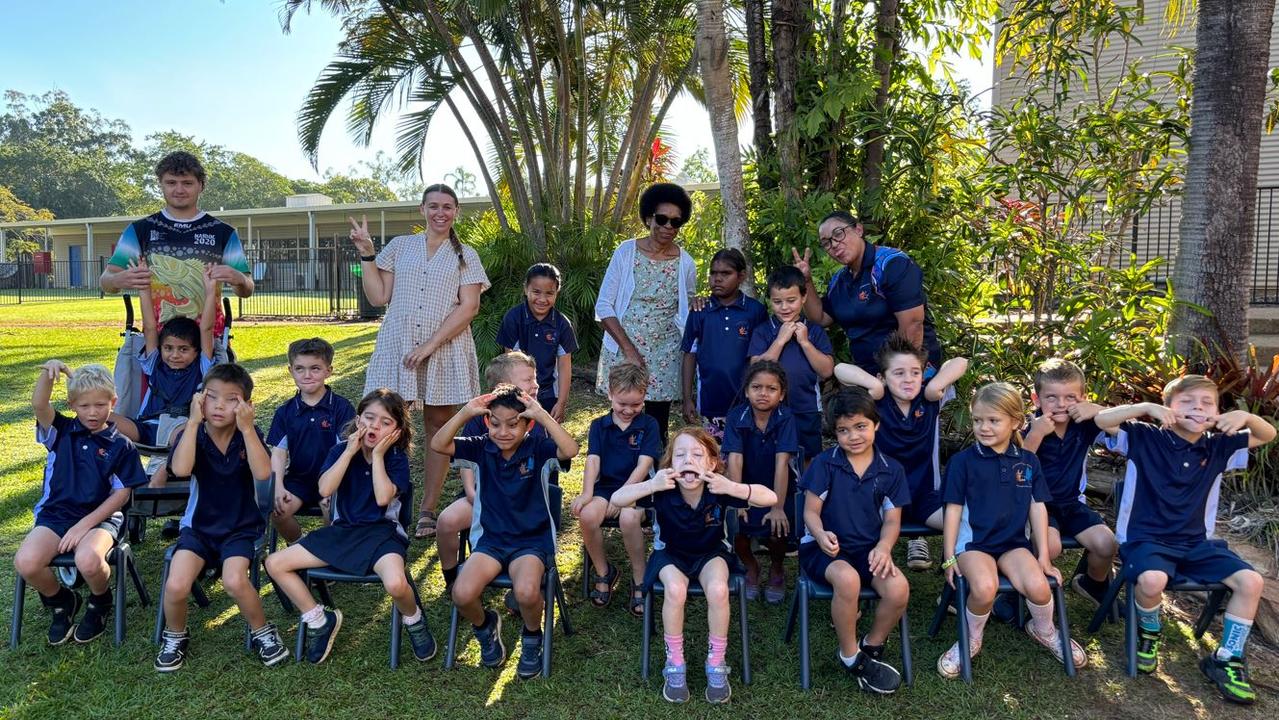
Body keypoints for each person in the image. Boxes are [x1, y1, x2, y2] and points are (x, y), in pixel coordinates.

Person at [1095, 375, 1274, 704]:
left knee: (1250, 581)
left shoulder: (1218, 444)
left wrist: (1247, 417)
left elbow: (1268, 434)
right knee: (1152, 580)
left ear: (1217, 411)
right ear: (1169, 408)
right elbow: (1101, 419)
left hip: (1196, 543)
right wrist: (1146, 407)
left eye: (1207, 403)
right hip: (1145, 539)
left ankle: (1226, 658)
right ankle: (1149, 631)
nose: (1198, 408)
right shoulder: (1144, 436)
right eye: (1187, 402)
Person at [349, 184, 490, 540]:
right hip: (397, 345)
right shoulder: (400, 247)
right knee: (381, 422)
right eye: (433, 206)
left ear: (456, 211)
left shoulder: (466, 255)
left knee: (438, 427)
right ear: (421, 210)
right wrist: (367, 255)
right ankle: (379, 503)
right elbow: (379, 295)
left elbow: (469, 307)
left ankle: (427, 507)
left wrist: (430, 345)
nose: (440, 213)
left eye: (447, 207)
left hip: (444, 348)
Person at [265, 389, 435, 665]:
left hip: (383, 534)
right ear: (358, 421)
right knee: (275, 563)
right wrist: (349, 451)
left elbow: (382, 498)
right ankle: (319, 619)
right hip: (343, 532)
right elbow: (324, 488)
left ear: (397, 431)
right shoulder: (339, 451)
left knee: (395, 583)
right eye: (369, 418)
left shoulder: (395, 458)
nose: (374, 426)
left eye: (385, 422)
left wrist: (378, 456)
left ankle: (414, 619)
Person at [611, 427, 777, 704]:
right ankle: (675, 662)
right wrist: (652, 484)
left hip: (711, 554)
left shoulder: (719, 488)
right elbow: (617, 500)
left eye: (698, 454)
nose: (689, 460)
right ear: (671, 464)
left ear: (712, 463)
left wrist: (733, 486)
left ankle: (716, 661)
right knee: (675, 590)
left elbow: (769, 498)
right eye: (680, 455)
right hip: (672, 554)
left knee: (719, 590)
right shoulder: (663, 489)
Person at [937, 382, 1088, 679]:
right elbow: (952, 510)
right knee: (984, 588)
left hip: (1013, 544)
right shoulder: (962, 462)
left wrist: (1043, 557)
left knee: (1039, 585)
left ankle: (1044, 630)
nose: (984, 427)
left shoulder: (1028, 461)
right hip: (974, 545)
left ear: (1016, 421)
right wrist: (948, 556)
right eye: (978, 420)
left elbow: (1038, 508)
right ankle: (971, 639)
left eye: (994, 420)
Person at [432, 385, 580, 680]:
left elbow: (571, 450)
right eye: (495, 423)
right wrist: (465, 412)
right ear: (487, 422)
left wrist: (543, 415)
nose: (503, 432)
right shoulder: (479, 446)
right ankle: (486, 627)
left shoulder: (537, 448)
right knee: (461, 593)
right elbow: (438, 444)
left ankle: (531, 637)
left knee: (526, 592)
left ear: (528, 424)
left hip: (530, 542)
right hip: (492, 541)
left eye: (513, 424)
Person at [155, 363, 288, 672]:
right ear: (201, 399)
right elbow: (183, 469)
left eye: (231, 399)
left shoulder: (249, 434)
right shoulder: (194, 433)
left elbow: (263, 472)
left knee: (233, 579)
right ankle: (175, 635)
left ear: (245, 405)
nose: (219, 406)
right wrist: (191, 423)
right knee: (176, 585)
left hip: (240, 528)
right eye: (212, 397)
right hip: (199, 528)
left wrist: (246, 428)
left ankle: (262, 632)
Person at [14, 361, 147, 645]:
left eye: (100, 405)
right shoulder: (61, 431)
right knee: (26, 562)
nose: (93, 412)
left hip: (100, 519)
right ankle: (62, 601)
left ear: (113, 402)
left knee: (88, 560)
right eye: (84, 406)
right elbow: (39, 405)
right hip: (57, 515)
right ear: (72, 404)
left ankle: (101, 600)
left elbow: (121, 496)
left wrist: (83, 526)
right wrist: (48, 374)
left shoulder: (122, 445)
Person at [798, 387, 910, 694]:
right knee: (847, 581)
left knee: (899, 588)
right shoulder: (825, 463)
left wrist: (885, 547)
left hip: (869, 549)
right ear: (835, 434)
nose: (854, 436)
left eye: (860, 426)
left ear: (876, 424)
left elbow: (891, 520)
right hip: (824, 549)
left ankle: (871, 646)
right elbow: (810, 511)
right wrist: (820, 534)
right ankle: (849, 655)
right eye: (844, 431)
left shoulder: (891, 470)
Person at [834, 332, 967, 570]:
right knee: (850, 528)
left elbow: (960, 363)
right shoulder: (875, 403)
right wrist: (874, 385)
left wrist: (936, 383)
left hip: (925, 498)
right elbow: (840, 369)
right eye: (898, 373)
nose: (909, 379)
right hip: (882, 499)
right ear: (883, 377)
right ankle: (860, 590)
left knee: (969, 522)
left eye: (915, 372)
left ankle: (958, 590)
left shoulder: (930, 399)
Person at [100, 151, 253, 338]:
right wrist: (117, 280)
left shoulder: (223, 232)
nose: (179, 190)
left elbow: (247, 289)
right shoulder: (139, 230)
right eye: (171, 183)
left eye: (187, 183)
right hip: (157, 345)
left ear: (201, 186)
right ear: (161, 185)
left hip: (211, 342)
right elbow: (106, 280)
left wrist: (239, 278)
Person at [595, 182, 698, 440]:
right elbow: (604, 305)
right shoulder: (626, 252)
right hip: (625, 347)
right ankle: (620, 476)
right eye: (662, 219)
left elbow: (688, 305)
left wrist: (700, 301)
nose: (668, 227)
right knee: (623, 416)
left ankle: (655, 474)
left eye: (675, 222)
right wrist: (629, 350)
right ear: (649, 218)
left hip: (665, 351)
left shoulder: (686, 263)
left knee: (656, 425)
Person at [436, 351, 543, 594]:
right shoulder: (479, 418)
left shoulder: (535, 419)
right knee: (446, 521)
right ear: (501, 388)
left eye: (534, 378)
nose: (535, 384)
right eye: (527, 379)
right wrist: (475, 496)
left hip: (524, 502)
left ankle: (522, 585)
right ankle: (452, 577)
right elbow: (467, 468)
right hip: (483, 496)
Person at [792, 211, 940, 375]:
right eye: (826, 243)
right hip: (869, 377)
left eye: (838, 234)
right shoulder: (839, 280)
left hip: (911, 373)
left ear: (859, 230)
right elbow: (820, 318)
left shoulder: (891, 264)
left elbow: (912, 325)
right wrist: (805, 280)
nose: (834, 244)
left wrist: (895, 375)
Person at [111, 262, 218, 488]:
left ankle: (161, 470)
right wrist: (144, 288)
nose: (174, 355)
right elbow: (150, 327)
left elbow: (206, 329)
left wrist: (210, 292)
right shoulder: (154, 363)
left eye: (183, 349)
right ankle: (102, 473)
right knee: (101, 419)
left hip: (181, 427)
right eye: (168, 348)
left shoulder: (202, 367)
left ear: (196, 351)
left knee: (185, 435)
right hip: (147, 427)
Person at [1020, 359, 1116, 608]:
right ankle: (1018, 591)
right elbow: (1018, 469)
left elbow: (1124, 429)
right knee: (1050, 547)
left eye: (1070, 397)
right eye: (1051, 397)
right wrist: (1036, 435)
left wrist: (1098, 410)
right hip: (1037, 505)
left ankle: (1092, 583)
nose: (1061, 404)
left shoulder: (1084, 426)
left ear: (1082, 397)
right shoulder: (1029, 428)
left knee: (1107, 544)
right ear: (1036, 399)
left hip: (1072, 504)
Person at [572, 362, 662, 615]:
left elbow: (644, 465)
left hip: (639, 489)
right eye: (622, 404)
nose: (629, 410)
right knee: (588, 515)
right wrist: (588, 492)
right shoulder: (599, 426)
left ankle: (639, 576)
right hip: (606, 488)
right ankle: (604, 571)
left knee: (629, 516)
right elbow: (593, 460)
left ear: (644, 397)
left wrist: (623, 496)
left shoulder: (649, 425)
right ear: (610, 393)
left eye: (636, 404)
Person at [266, 338, 356, 543]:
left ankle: (326, 552)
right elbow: (278, 454)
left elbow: (346, 450)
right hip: (299, 480)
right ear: (291, 370)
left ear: (328, 370)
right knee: (277, 509)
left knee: (330, 506)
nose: (307, 375)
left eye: (315, 368)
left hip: (333, 480)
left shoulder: (341, 408)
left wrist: (332, 487)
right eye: (300, 368)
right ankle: (300, 545)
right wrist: (278, 486)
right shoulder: (285, 412)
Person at [724, 360, 799, 603]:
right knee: (735, 525)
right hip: (744, 487)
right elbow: (734, 460)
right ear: (746, 390)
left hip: (779, 488)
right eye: (756, 387)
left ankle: (777, 568)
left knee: (779, 527)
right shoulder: (737, 415)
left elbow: (782, 463)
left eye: (771, 388)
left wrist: (777, 507)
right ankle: (751, 567)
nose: (763, 393)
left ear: (782, 393)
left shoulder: (786, 417)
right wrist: (739, 500)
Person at [748, 265, 835, 466]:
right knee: (772, 458)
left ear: (803, 297)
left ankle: (804, 496)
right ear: (769, 300)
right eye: (777, 302)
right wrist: (780, 340)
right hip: (769, 410)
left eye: (791, 300)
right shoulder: (763, 331)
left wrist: (805, 342)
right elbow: (756, 369)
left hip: (806, 407)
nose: (785, 307)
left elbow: (827, 370)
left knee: (807, 458)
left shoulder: (813, 331)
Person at [680, 248, 768, 439]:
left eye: (725, 273)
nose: (717, 279)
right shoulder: (700, 310)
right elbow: (689, 354)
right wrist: (687, 399)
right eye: (713, 273)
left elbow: (762, 359)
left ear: (741, 276)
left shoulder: (755, 311)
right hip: (711, 402)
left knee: (747, 456)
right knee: (715, 459)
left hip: (748, 402)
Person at [496, 263, 578, 422]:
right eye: (536, 292)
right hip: (519, 393)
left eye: (549, 293)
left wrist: (561, 403)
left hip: (549, 394)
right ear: (526, 289)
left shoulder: (562, 324)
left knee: (548, 440)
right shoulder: (513, 318)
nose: (542, 299)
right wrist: (515, 398)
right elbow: (510, 363)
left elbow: (564, 366)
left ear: (557, 293)